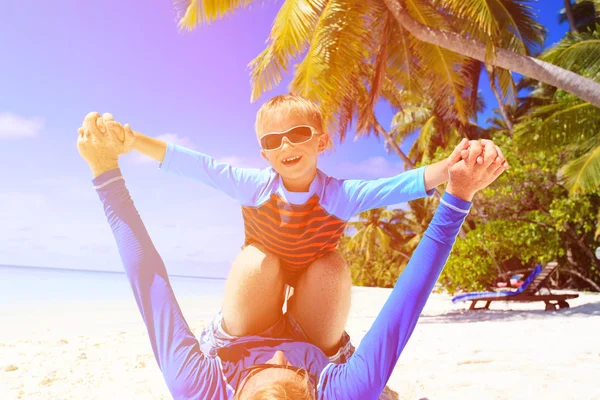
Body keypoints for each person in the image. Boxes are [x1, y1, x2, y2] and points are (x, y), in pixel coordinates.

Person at [77, 110, 508, 399]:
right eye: (295, 371)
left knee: (258, 263)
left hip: (242, 330)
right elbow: (406, 303)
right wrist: (459, 193)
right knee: (332, 269)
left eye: (267, 369)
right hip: (317, 337)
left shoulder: (199, 386)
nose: (280, 352)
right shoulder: (342, 391)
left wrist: (105, 172)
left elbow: (149, 283)